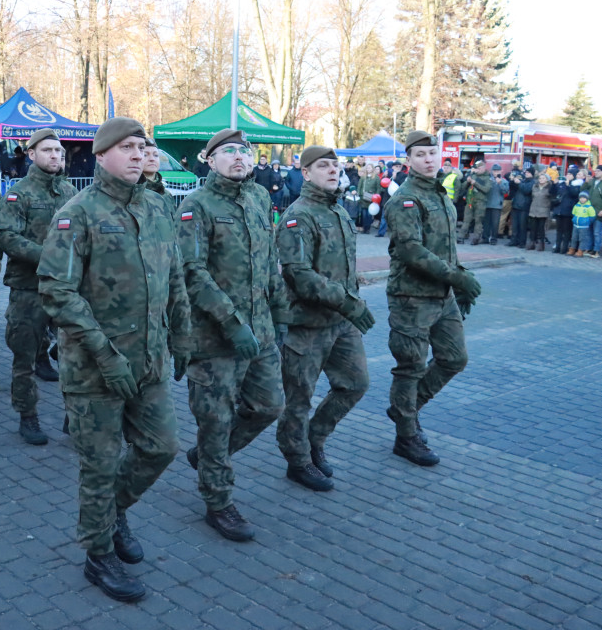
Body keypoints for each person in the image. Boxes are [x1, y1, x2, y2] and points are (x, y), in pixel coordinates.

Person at [38, 117, 191, 603]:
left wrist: (183, 337)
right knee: (99, 466)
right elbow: (56, 291)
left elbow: (176, 277)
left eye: (142, 147)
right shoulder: (78, 212)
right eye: (125, 147)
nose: (136, 155)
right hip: (94, 368)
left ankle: (113, 511)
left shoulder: (158, 206)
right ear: (101, 156)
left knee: (161, 447)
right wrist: (105, 354)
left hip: (149, 361)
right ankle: (98, 552)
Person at [177, 129, 288, 538]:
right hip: (215, 338)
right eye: (228, 152)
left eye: (244, 151)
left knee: (269, 406)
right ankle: (218, 500)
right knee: (216, 420)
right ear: (209, 160)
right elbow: (192, 271)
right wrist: (231, 321)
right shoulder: (196, 206)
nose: (239, 157)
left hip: (261, 332)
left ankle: (208, 457)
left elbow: (269, 259)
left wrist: (281, 312)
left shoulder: (259, 197)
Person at [276, 145, 372, 491]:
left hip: (341, 322)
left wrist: (351, 297)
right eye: (323, 166)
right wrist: (348, 302)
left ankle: (315, 439)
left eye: (336, 165)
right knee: (298, 398)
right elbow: (299, 276)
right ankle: (297, 460)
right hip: (307, 324)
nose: (333, 170)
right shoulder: (298, 215)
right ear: (306, 173)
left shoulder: (340, 211)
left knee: (355, 384)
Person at [384, 131, 479, 467]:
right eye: (420, 155)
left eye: (432, 153)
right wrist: (456, 277)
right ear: (408, 160)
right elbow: (411, 251)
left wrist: (460, 278)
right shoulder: (406, 199)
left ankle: (403, 411)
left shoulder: (440, 194)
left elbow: (446, 248)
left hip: (443, 294)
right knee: (410, 367)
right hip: (411, 296)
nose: (428, 159)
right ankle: (406, 437)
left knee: (454, 358)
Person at [0, 128, 77, 445]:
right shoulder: (19, 194)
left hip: (67, 289)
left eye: (59, 151)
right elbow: (9, 238)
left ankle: (75, 417)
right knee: (24, 358)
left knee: (75, 355)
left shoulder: (71, 192)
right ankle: (27, 416)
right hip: (29, 288)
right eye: (47, 151)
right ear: (31, 154)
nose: (55, 156)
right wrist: (49, 258)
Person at [141, 137, 176, 219]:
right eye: (145, 155)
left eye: (156, 155)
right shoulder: (132, 192)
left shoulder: (166, 195)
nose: (152, 159)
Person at [459, 160, 490, 245]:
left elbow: (486, 189)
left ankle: (476, 238)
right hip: (470, 201)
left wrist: (475, 183)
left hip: (480, 202)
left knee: (478, 221)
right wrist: (467, 182)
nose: (476, 170)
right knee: (466, 220)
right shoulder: (473, 176)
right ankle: (461, 236)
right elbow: (463, 187)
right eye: (476, 169)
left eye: (478, 168)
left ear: (483, 168)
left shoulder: (487, 178)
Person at [551, 169, 579, 254]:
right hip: (560, 209)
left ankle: (565, 247)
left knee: (567, 231)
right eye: (567, 174)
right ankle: (558, 247)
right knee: (559, 230)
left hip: (568, 211)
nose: (568, 175)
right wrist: (554, 185)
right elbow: (553, 193)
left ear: (574, 176)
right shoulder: (562, 184)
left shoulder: (576, 185)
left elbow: (574, 194)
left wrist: (569, 185)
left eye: (570, 174)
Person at [526, 170, 552, 251]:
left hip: (543, 210)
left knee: (541, 228)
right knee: (532, 228)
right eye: (540, 178)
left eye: (543, 178)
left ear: (547, 180)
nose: (541, 179)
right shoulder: (535, 186)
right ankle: (532, 243)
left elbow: (551, 198)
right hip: (534, 209)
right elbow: (532, 197)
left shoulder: (549, 188)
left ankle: (541, 244)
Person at [483, 164, 509, 245]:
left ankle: (494, 239)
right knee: (486, 223)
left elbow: (506, 192)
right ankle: (485, 238)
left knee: (495, 223)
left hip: (497, 205)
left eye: (497, 171)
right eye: (494, 171)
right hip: (487, 203)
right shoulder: (488, 180)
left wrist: (500, 183)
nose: (495, 172)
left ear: (501, 171)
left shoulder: (504, 181)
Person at [508, 168, 533, 247]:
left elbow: (527, 190)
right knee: (514, 225)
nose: (527, 173)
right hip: (516, 205)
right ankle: (514, 240)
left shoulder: (532, 182)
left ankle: (522, 242)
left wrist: (519, 183)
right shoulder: (523, 180)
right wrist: (512, 180)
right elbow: (512, 187)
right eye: (526, 172)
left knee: (522, 226)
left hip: (524, 206)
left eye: (529, 172)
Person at [570, 192, 595, 257]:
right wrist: (574, 220)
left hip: (584, 226)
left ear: (587, 199)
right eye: (581, 198)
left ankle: (580, 250)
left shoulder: (589, 207)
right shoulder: (576, 206)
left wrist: (586, 222)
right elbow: (573, 213)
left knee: (582, 239)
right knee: (574, 238)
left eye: (584, 198)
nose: (582, 199)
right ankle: (572, 249)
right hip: (576, 225)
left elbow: (592, 217)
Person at [357, 164, 380, 233]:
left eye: (369, 168)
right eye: (367, 168)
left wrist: (376, 196)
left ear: (372, 169)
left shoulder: (376, 178)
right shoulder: (363, 177)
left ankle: (368, 228)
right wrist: (360, 194)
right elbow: (359, 186)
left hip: (371, 199)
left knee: (369, 215)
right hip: (363, 198)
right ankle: (364, 228)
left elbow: (378, 188)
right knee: (364, 215)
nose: (368, 169)